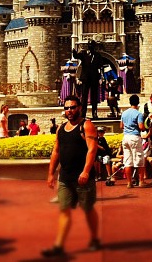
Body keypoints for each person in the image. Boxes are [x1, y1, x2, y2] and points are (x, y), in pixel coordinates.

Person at [42, 95, 100, 258]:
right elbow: (56, 151)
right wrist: (50, 173)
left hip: (82, 178)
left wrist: (86, 171)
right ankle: (58, 245)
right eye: (67, 108)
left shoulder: (86, 125)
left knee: (88, 209)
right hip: (65, 177)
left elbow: (92, 149)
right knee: (64, 210)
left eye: (73, 107)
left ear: (79, 108)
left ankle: (95, 239)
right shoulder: (61, 128)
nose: (69, 111)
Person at [120, 94, 147, 189]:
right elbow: (141, 127)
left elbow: (121, 126)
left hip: (126, 137)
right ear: (138, 102)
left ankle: (129, 182)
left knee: (127, 161)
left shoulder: (124, 113)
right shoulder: (138, 114)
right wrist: (145, 127)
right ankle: (141, 181)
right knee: (139, 159)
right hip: (134, 136)